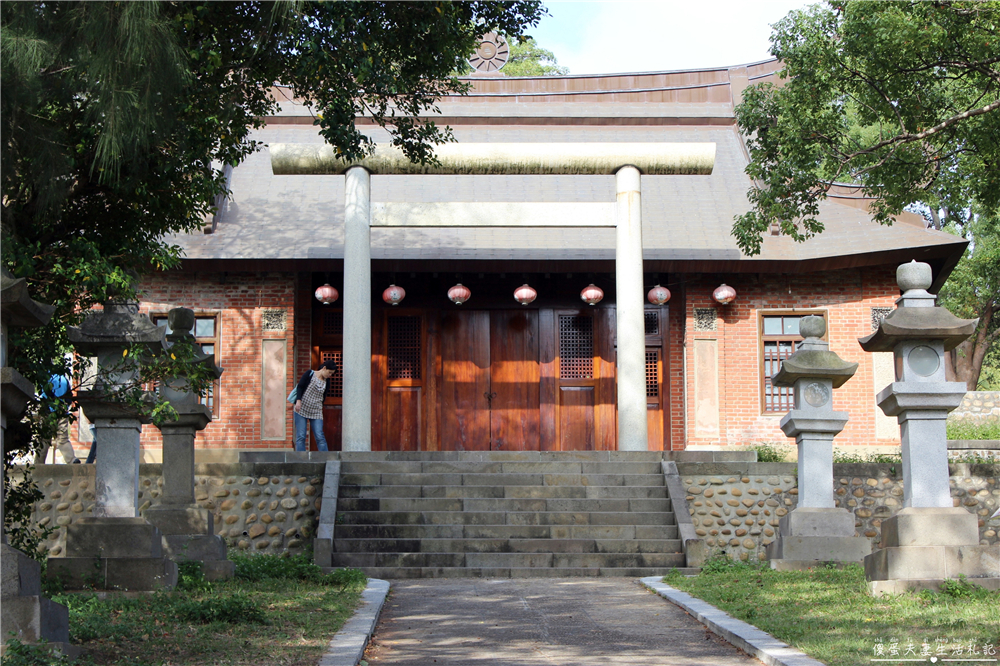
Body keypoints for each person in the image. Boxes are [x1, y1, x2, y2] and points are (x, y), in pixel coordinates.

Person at [293, 359, 337, 452]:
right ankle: (301, 459)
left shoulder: (327, 381)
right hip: (302, 408)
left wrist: (320, 406)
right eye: (329, 372)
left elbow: (323, 396)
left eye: (332, 373)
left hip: (316, 411)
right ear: (324, 368)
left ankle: (325, 457)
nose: (330, 375)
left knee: (319, 435)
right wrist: (298, 400)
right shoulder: (310, 373)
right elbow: (300, 386)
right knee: (301, 436)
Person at [37, 374, 79, 464]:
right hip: (62, 412)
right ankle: (72, 460)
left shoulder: (45, 378)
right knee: (63, 440)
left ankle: (38, 464)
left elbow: (44, 394)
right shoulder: (63, 379)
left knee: (44, 440)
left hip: (48, 412)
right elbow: (69, 396)